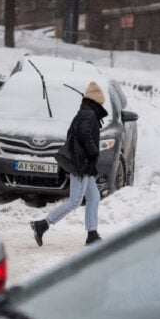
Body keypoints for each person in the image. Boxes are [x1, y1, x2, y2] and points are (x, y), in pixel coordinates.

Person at [30, 81, 108, 246]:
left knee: (94, 198)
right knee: (75, 201)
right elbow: (84, 133)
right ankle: (42, 225)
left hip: (85, 165)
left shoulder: (85, 112)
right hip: (81, 165)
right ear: (96, 102)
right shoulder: (89, 114)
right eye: (101, 103)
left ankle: (92, 233)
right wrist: (93, 150)